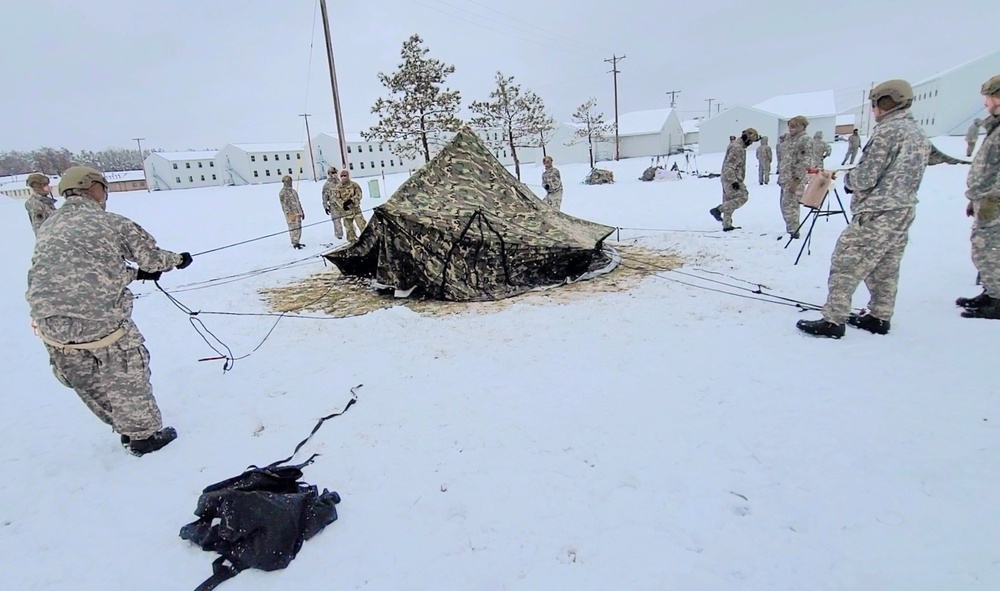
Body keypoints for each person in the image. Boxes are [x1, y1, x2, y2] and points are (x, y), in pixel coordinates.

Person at [25, 166, 192, 455]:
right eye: (103, 188)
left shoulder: (50, 225)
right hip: (98, 322)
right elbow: (152, 259)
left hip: (50, 327)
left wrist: (134, 275)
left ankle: (125, 427)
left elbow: (84, 271)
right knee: (125, 369)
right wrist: (177, 260)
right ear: (93, 188)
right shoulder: (110, 223)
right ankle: (143, 436)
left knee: (88, 379)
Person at [796, 79, 930, 338]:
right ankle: (879, 316)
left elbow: (867, 176)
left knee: (846, 261)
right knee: (885, 265)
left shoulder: (888, 131)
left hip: (877, 211)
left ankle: (833, 320)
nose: (873, 109)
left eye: (875, 103)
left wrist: (848, 180)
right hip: (902, 209)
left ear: (887, 101)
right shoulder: (917, 132)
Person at [957, 75, 1000, 319]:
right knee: (984, 247)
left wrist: (992, 198)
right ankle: (992, 291)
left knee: (992, 248)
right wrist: (975, 198)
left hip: (995, 201)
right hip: (987, 199)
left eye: (990, 97)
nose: (986, 103)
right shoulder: (995, 126)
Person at [709, 128, 760, 231]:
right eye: (750, 141)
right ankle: (718, 210)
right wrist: (734, 181)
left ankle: (727, 224)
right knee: (743, 197)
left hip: (727, 176)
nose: (750, 144)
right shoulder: (737, 148)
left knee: (729, 200)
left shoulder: (735, 145)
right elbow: (730, 165)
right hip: (731, 177)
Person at [777, 116, 812, 238]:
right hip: (785, 178)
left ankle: (794, 232)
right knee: (785, 205)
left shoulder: (804, 140)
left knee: (791, 206)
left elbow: (804, 162)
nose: (791, 128)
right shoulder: (789, 140)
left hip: (794, 179)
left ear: (802, 126)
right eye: (790, 126)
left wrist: (796, 180)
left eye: (794, 126)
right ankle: (791, 229)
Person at [336, 169, 367, 242]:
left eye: (345, 176)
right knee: (349, 229)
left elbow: (359, 195)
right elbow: (336, 198)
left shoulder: (354, 185)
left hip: (356, 210)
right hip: (346, 212)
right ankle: (352, 241)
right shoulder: (338, 187)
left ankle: (366, 239)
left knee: (362, 225)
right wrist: (343, 204)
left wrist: (352, 201)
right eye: (342, 176)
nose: (343, 177)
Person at [279, 175, 305, 249]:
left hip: (297, 213)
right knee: (293, 228)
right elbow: (284, 205)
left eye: (290, 181)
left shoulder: (293, 191)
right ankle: (295, 243)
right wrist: (289, 214)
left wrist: (301, 211)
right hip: (291, 214)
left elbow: (298, 202)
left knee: (298, 227)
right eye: (287, 181)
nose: (289, 183)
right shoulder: (283, 193)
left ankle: (298, 241)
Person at [321, 166, 344, 241]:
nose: (334, 174)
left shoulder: (340, 182)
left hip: (343, 204)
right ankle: (339, 236)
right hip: (333, 205)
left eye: (335, 172)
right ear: (329, 174)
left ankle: (351, 233)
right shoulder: (327, 185)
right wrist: (325, 206)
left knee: (348, 219)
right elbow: (324, 196)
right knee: (336, 220)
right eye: (332, 173)